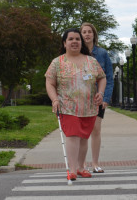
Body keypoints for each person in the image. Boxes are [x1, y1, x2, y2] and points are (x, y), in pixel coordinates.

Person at [45, 28, 106, 181]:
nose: (74, 42)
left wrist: (101, 93)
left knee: (84, 138)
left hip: (89, 107)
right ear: (64, 43)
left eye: (77, 39)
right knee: (73, 136)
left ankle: (80, 167)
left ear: (81, 42)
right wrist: (55, 100)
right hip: (67, 106)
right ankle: (72, 170)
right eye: (70, 39)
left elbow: (102, 77)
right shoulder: (57, 62)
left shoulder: (91, 61)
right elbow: (50, 83)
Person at [80, 22, 114, 173]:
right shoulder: (77, 53)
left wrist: (106, 98)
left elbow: (109, 78)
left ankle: (95, 163)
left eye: (89, 32)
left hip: (98, 98)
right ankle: (82, 164)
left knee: (96, 130)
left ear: (94, 35)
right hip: (80, 98)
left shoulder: (102, 54)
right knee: (82, 132)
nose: (87, 34)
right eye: (84, 32)